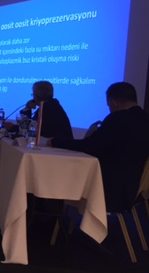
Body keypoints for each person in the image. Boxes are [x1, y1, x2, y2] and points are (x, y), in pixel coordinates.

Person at [50, 82, 149, 212]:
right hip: (136, 186)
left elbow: (89, 146)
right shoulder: (145, 118)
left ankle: (53, 214)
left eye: (108, 105)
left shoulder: (118, 119)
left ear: (113, 102)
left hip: (113, 187)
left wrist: (55, 142)